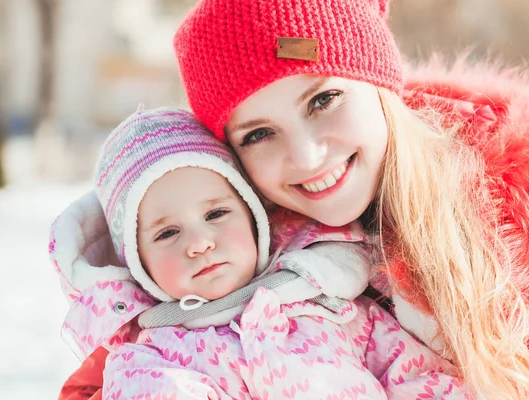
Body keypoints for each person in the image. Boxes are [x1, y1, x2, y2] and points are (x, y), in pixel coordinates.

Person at [170, 0, 529, 398]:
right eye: (257, 135)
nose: (307, 156)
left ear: (379, 83)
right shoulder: (236, 257)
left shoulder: (512, 204)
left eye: (323, 100)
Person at [51, 106, 467, 399]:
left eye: (216, 213)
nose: (199, 243)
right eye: (168, 233)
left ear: (254, 218)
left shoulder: (330, 307)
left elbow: (419, 378)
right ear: (137, 263)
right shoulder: (152, 359)